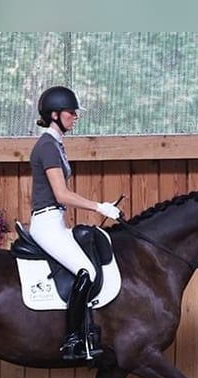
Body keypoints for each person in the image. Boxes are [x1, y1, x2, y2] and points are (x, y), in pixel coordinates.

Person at [28, 85, 121, 360]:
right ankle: (73, 341)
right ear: (55, 114)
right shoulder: (47, 146)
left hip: (55, 221)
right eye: (71, 112)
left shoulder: (55, 144)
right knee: (86, 271)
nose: (75, 116)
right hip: (46, 223)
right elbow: (61, 194)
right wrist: (99, 206)